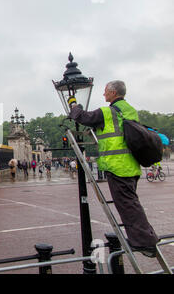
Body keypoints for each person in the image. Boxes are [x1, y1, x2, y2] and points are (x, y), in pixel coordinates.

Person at [68, 80, 159, 257]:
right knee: (132, 203)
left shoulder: (107, 112)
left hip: (117, 165)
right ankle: (145, 237)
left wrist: (73, 104)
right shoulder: (130, 109)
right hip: (131, 164)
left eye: (105, 92)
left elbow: (83, 117)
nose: (104, 95)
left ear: (113, 93)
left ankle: (145, 242)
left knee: (128, 206)